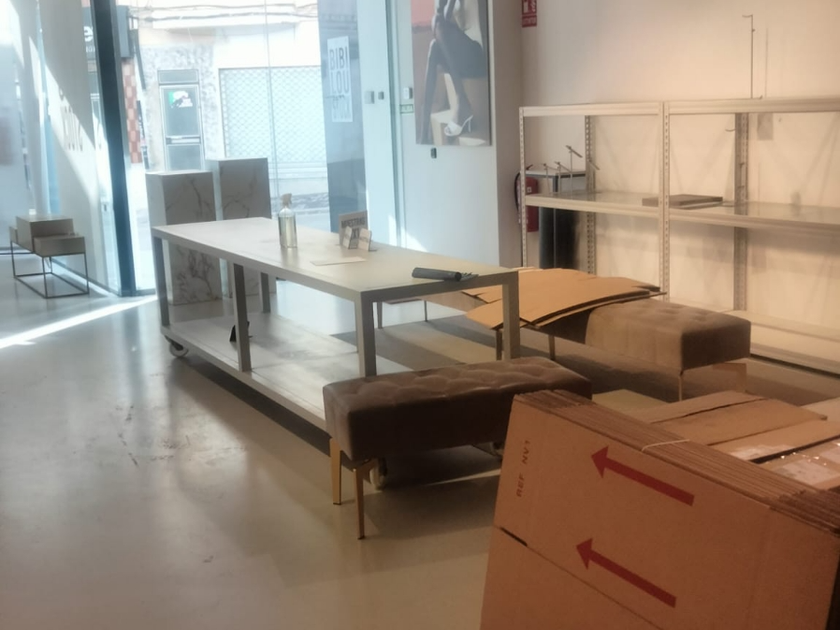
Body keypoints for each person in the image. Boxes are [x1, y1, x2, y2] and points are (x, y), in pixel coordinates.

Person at [420, 0, 488, 143]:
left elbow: (445, 16)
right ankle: (424, 132)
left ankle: (461, 99)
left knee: (438, 22)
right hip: (462, 58)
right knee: (434, 47)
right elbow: (441, 15)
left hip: (479, 54)